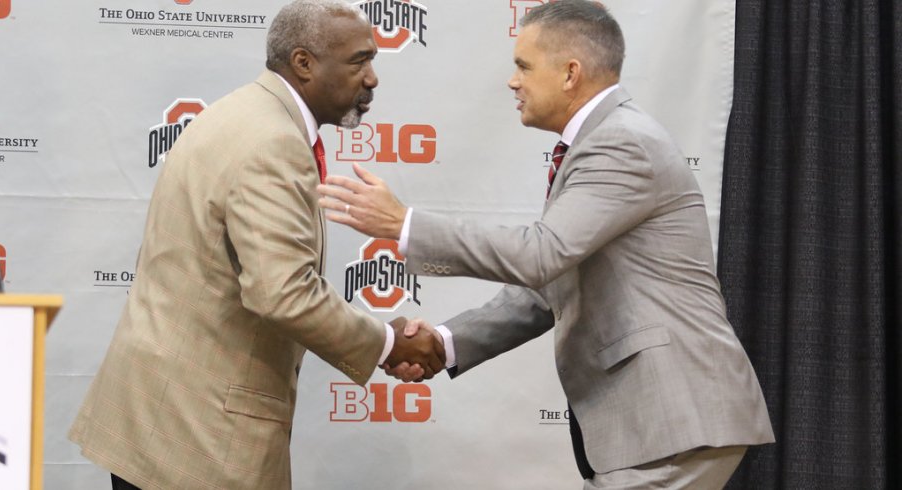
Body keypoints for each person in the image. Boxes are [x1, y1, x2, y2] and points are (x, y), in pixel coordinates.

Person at [317, 1, 774, 488]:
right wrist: (445, 344)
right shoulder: (599, 144)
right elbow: (548, 283)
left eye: (523, 66)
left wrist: (404, 223)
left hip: (673, 416)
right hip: (658, 423)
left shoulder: (621, 143)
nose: (513, 82)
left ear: (570, 73)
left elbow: (541, 254)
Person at [68, 2, 444, 489]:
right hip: (197, 435)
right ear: (304, 63)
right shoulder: (274, 142)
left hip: (163, 415)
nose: (372, 78)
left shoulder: (243, 112)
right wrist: (390, 343)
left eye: (372, 61)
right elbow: (282, 293)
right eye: (358, 61)